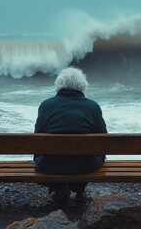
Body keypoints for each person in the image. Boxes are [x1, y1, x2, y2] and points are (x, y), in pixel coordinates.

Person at [33, 67, 107, 201]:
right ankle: (79, 189)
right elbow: (104, 138)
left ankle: (58, 188)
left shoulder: (46, 105)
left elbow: (37, 137)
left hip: (51, 166)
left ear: (59, 84)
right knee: (92, 153)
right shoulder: (93, 106)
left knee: (43, 158)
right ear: (82, 85)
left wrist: (39, 159)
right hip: (86, 166)